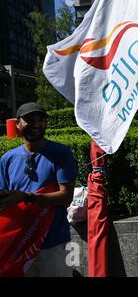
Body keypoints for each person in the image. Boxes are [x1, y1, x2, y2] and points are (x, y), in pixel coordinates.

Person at [0, 102, 78, 277]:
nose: (36, 124)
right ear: (18, 124)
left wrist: (26, 197)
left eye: (41, 119)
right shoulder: (7, 159)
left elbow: (66, 197)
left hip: (55, 243)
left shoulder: (61, 153)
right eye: (29, 120)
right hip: (19, 245)